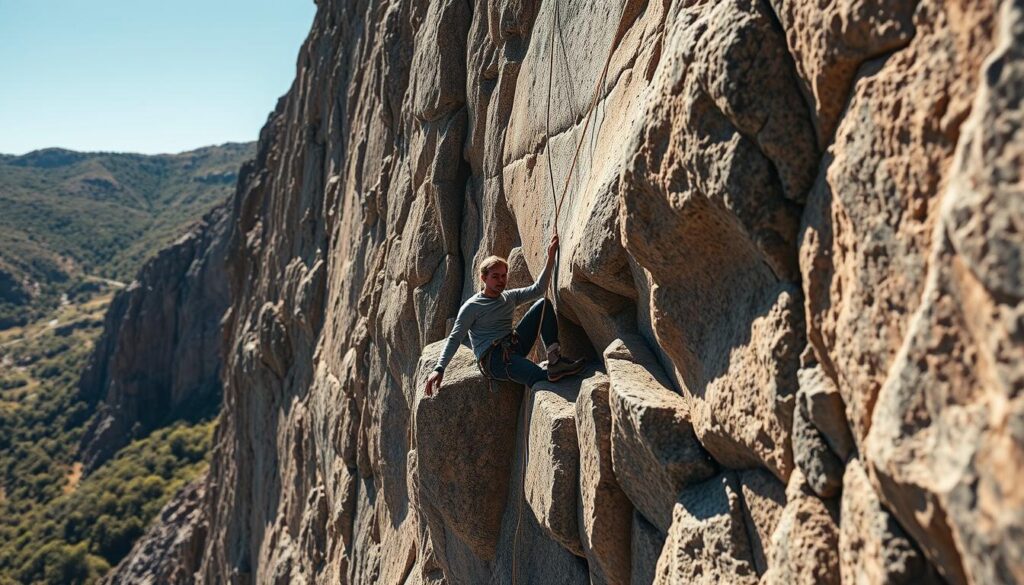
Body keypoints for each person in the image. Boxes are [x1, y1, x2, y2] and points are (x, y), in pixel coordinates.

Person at [424, 234, 586, 397]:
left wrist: (551, 257)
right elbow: (455, 338)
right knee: (541, 377)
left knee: (542, 305)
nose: (501, 280)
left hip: (513, 344)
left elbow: (538, 289)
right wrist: (439, 368)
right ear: (484, 278)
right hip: (495, 360)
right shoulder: (473, 306)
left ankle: (554, 360)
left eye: (503, 276)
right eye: (495, 276)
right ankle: (544, 371)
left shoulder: (509, 297)